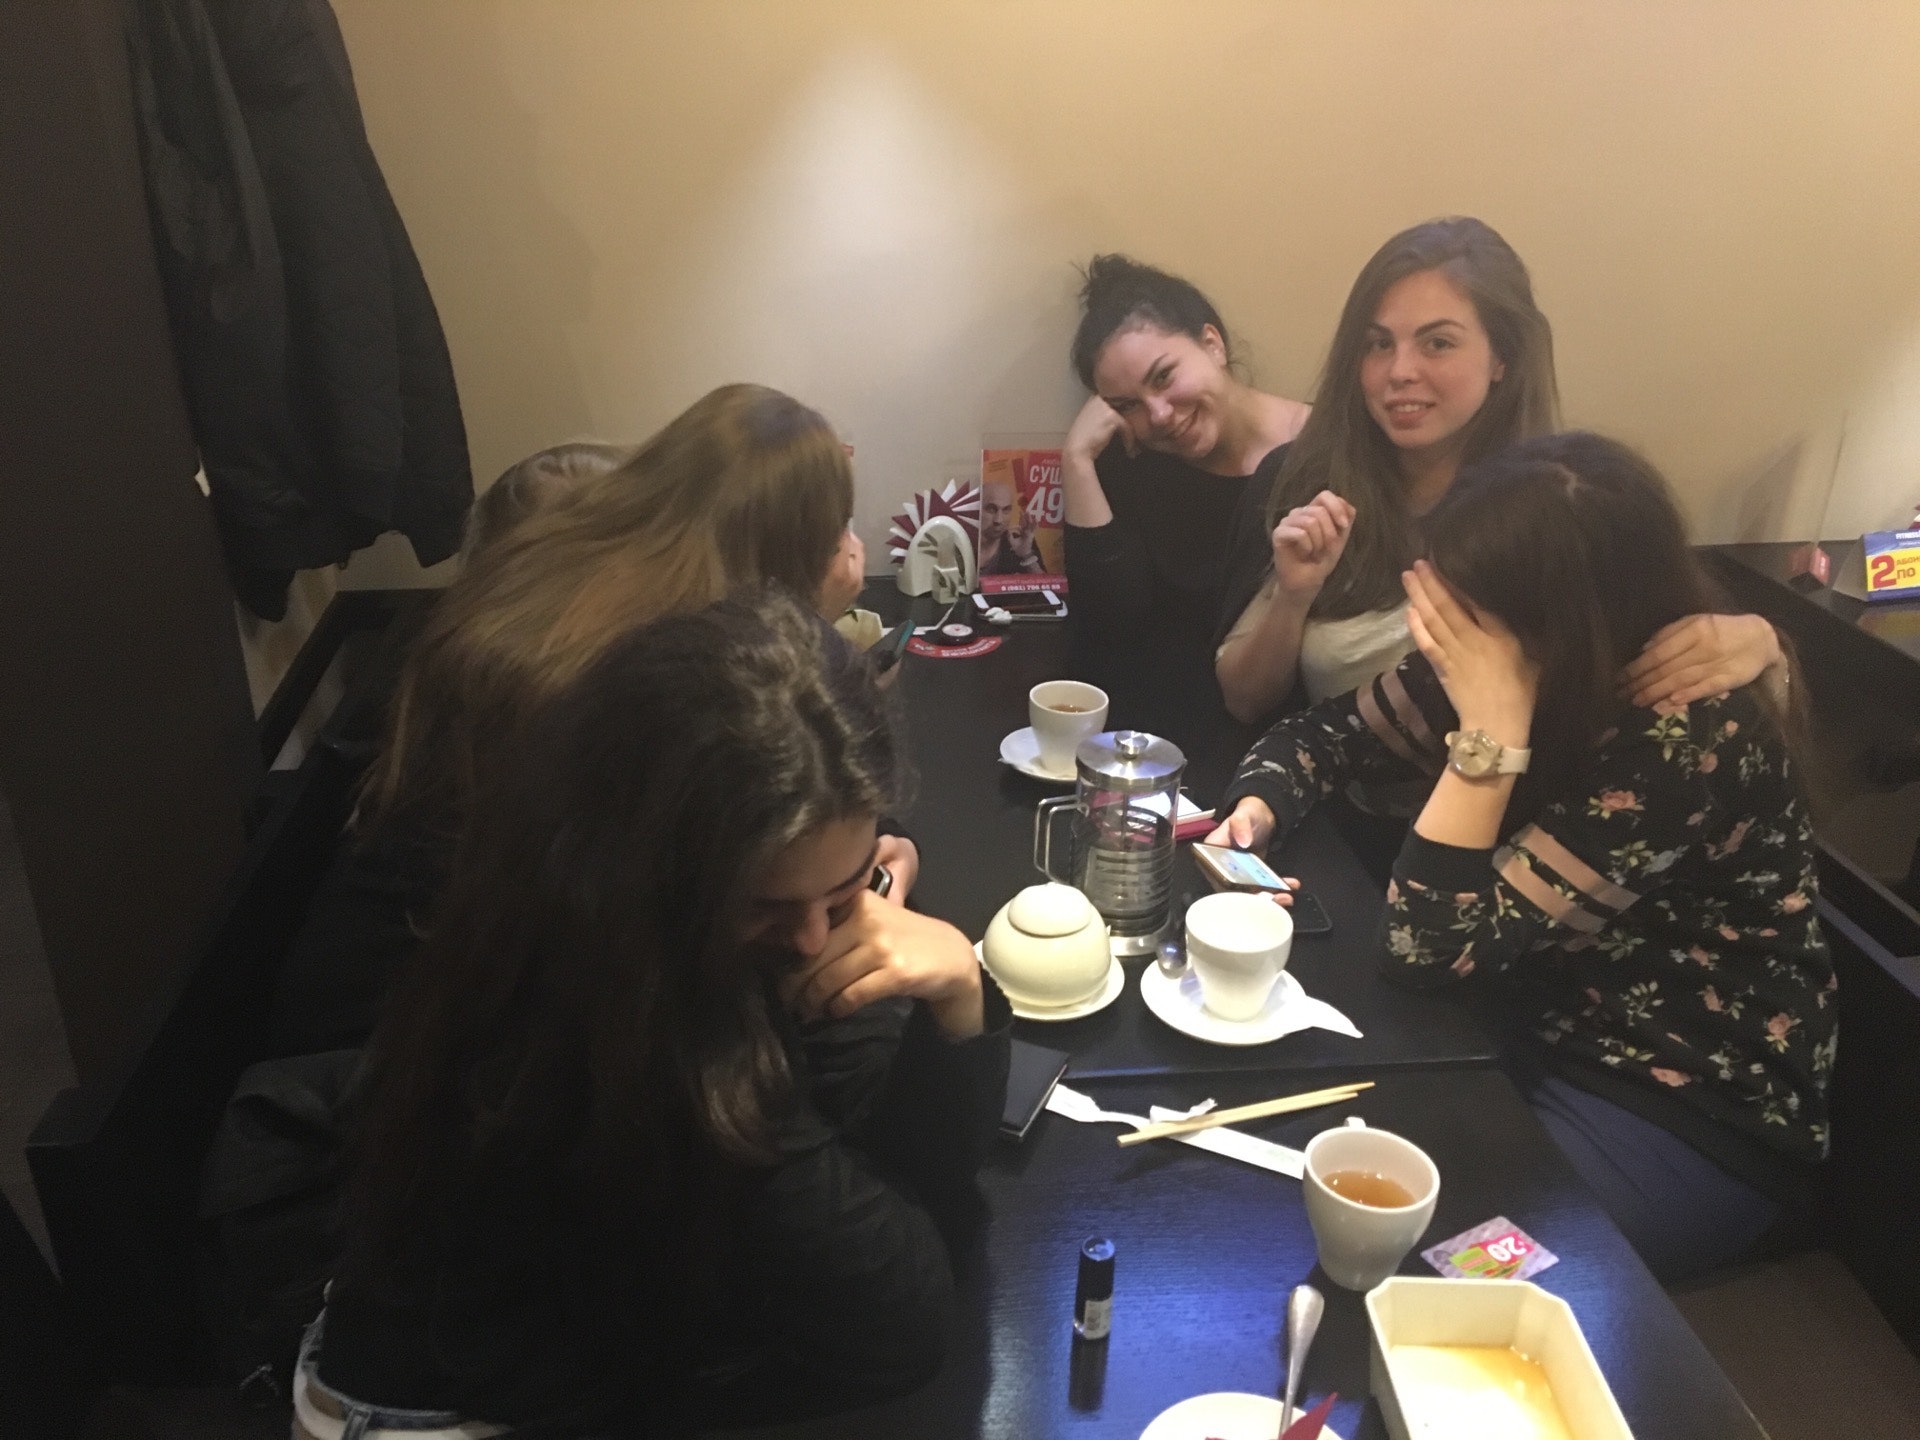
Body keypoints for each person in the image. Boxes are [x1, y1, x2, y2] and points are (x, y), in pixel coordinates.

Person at [294, 593, 1010, 1436]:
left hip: (575, 1348)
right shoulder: (640, 1020)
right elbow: (902, 1322)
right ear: (665, 870)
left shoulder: (614, 885)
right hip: (435, 1416)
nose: (817, 940)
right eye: (770, 907)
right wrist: (921, 1015)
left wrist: (959, 995)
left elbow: (888, 1153)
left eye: (847, 890)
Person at [1209, 433, 1834, 1284]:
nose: (1438, 626)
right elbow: (1320, 736)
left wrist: (1491, 736)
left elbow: (1427, 949)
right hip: (1519, 1031)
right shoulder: (1506, 658)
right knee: (1302, 1185)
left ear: (1552, 624)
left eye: (1462, 608)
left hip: (1683, 1109)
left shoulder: (1687, 734)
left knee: (1437, 1270)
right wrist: (1258, 809)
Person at [266, 385, 915, 1057]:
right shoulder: (645, 679)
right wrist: (815, 628)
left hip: (373, 961)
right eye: (835, 533)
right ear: (788, 552)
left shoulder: (572, 574)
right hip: (425, 1034)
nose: (851, 549)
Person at [1214, 217, 1783, 730]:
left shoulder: (1561, 503)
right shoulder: (1304, 479)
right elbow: (1244, 702)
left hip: (1511, 803)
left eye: (1438, 343)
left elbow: (1661, 671)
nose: (1399, 371)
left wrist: (1763, 646)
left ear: (1502, 358)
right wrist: (1293, 598)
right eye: (1378, 344)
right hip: (1320, 792)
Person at [1060, 254, 1311, 767]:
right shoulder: (1131, 458)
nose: (1158, 415)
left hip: (1278, 754)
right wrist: (1077, 461)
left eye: (1164, 377)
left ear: (1212, 344)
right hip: (1143, 751)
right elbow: (1107, 628)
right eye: (1126, 404)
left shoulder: (1319, 455)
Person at [978, 469, 1045, 575]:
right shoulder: (962, 541)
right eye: (991, 509)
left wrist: (1026, 554)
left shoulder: (1020, 539)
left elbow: (1047, 585)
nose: (998, 520)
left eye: (1006, 510)